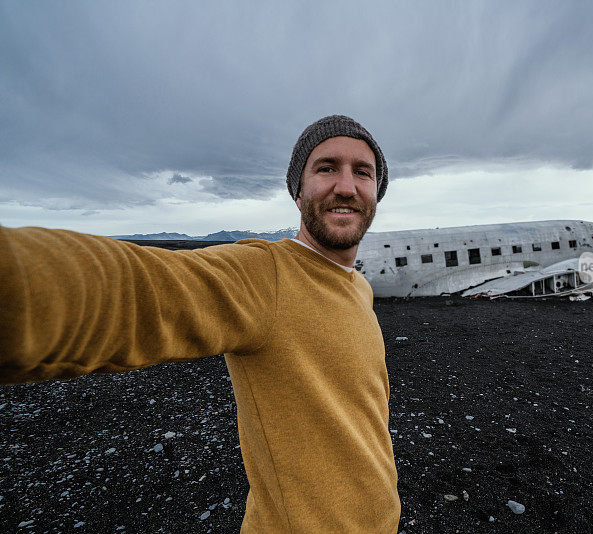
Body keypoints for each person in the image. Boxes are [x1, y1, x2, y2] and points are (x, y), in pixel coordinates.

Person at [0, 115, 401, 533]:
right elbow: (137, 288)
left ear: (376, 192)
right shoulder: (265, 275)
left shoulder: (358, 289)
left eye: (363, 172)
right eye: (326, 168)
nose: (346, 186)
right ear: (298, 192)